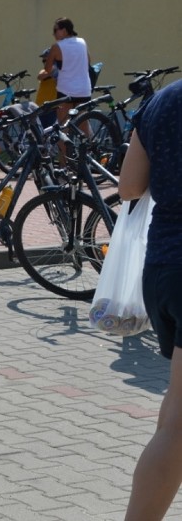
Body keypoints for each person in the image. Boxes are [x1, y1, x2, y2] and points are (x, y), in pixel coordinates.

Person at [119, 78, 182, 521]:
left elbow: (129, 185)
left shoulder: (164, 100)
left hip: (164, 266)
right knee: (178, 429)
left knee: (176, 418)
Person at [37, 17, 92, 126]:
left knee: (63, 127)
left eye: (55, 30)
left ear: (65, 30)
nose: (53, 34)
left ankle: (65, 142)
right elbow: (88, 62)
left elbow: (48, 70)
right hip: (84, 90)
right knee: (83, 123)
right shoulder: (82, 42)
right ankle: (89, 142)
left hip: (66, 91)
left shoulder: (57, 46)